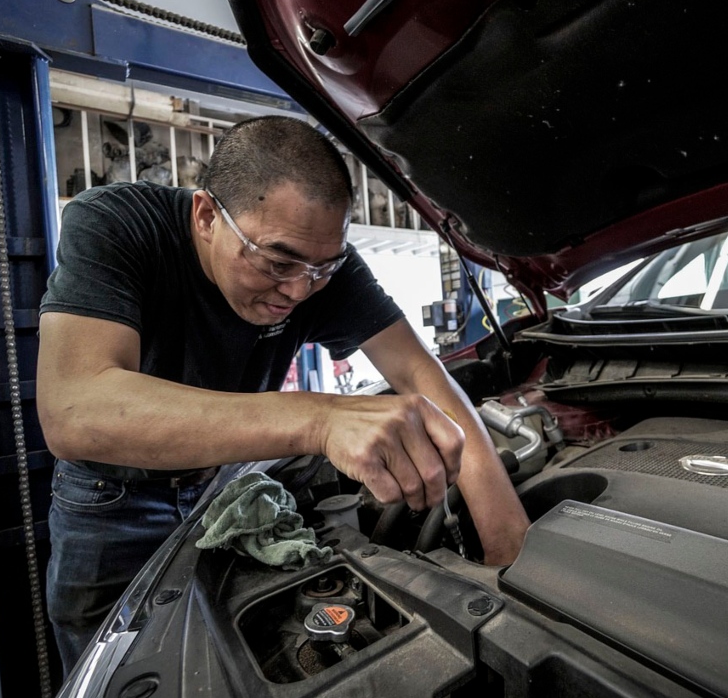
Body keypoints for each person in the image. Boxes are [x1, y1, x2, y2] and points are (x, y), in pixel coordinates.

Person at [36, 115, 530, 678]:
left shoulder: (320, 268)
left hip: (226, 486)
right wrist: (320, 420)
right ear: (205, 216)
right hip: (112, 499)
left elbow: (422, 375)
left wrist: (508, 549)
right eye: (277, 263)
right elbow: (75, 409)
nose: (299, 290)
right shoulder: (117, 224)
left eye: (323, 267)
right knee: (111, 668)